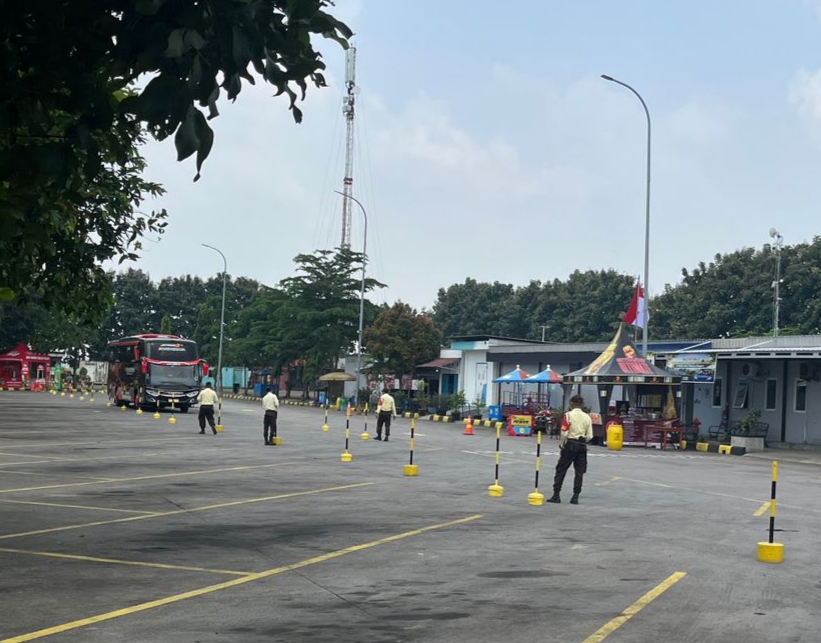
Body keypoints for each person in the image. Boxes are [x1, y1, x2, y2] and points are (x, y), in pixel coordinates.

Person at [547, 394, 593, 505]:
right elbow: (590, 436)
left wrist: (562, 444)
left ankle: (556, 494)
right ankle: (575, 496)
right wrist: (583, 441)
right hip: (582, 445)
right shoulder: (587, 417)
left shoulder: (568, 415)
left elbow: (564, 432)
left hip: (570, 444)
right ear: (581, 404)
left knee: (561, 469)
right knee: (579, 472)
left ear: (571, 404)